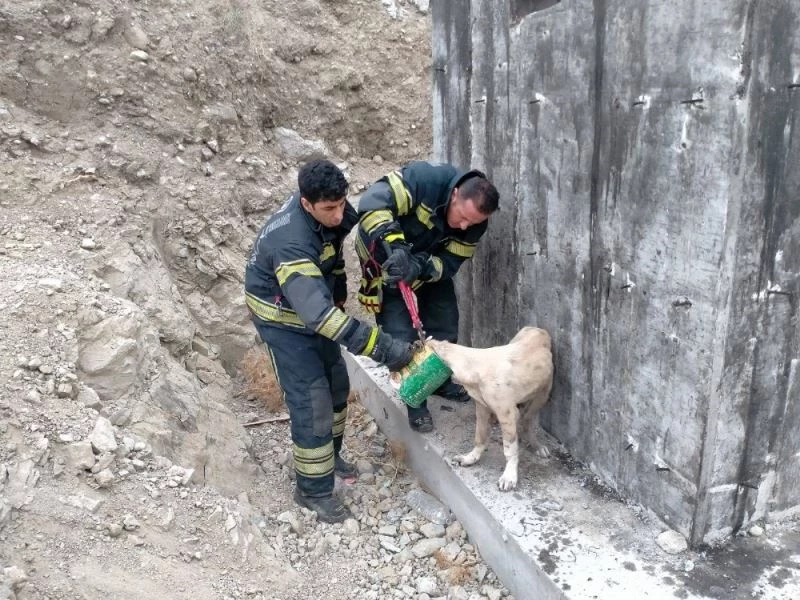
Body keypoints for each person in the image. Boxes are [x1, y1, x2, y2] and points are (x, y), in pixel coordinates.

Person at [244, 159, 414, 523]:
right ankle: (313, 490)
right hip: (282, 320)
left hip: (310, 306)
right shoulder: (290, 242)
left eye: (341, 205)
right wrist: (381, 348)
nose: (339, 216)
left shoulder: (328, 213)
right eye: (329, 209)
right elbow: (318, 317)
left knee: (337, 386)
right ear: (306, 204)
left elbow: (332, 259)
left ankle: (328, 457)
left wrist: (338, 292)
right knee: (313, 399)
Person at [355, 160, 500, 433]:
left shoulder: (475, 224)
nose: (464, 225)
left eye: (473, 222)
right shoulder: (424, 180)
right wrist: (395, 247)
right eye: (462, 216)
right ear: (455, 194)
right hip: (387, 259)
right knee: (400, 333)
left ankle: (439, 382)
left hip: (421, 263)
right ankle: (416, 400)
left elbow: (450, 262)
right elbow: (373, 202)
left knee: (445, 320)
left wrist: (420, 267)